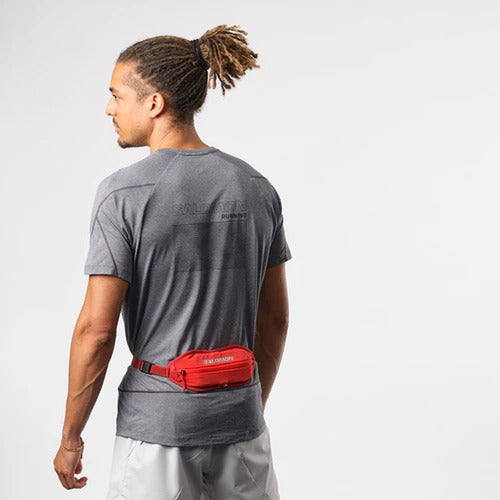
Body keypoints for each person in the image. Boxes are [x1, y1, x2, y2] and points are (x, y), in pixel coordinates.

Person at [53, 24, 292, 499]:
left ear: (154, 103)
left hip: (157, 429)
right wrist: (245, 406)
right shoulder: (256, 188)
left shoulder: (123, 195)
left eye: (117, 96)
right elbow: (276, 318)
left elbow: (96, 331)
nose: (109, 109)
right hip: (241, 424)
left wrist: (70, 437)